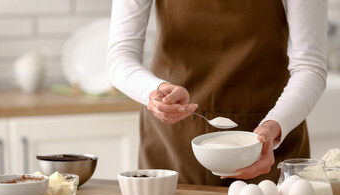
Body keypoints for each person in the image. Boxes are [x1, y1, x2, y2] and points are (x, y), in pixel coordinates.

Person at [107, 0, 328, 185]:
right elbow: (120, 56)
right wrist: (153, 91)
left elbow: (310, 67)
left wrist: (275, 125)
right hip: (172, 142)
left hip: (268, 140)